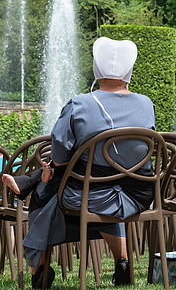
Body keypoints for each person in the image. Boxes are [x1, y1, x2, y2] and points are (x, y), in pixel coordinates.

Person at [17, 37, 156, 288]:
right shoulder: (146, 104)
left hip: (90, 196)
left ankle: (40, 266)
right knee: (96, 186)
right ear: (129, 70)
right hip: (137, 195)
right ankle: (121, 261)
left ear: (95, 67)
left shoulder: (78, 104)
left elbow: (59, 156)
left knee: (48, 188)